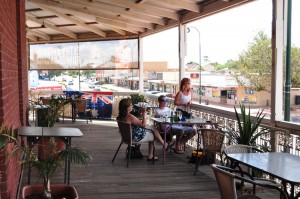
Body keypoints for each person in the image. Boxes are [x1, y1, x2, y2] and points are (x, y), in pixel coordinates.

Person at [173, 78, 196, 153]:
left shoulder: (190, 92)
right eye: (188, 83)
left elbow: (192, 100)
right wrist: (184, 104)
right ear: (184, 84)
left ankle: (181, 142)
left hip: (187, 112)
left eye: (190, 83)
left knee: (190, 130)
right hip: (180, 112)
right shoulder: (180, 92)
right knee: (179, 130)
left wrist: (190, 103)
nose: (190, 84)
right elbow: (175, 103)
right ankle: (177, 146)